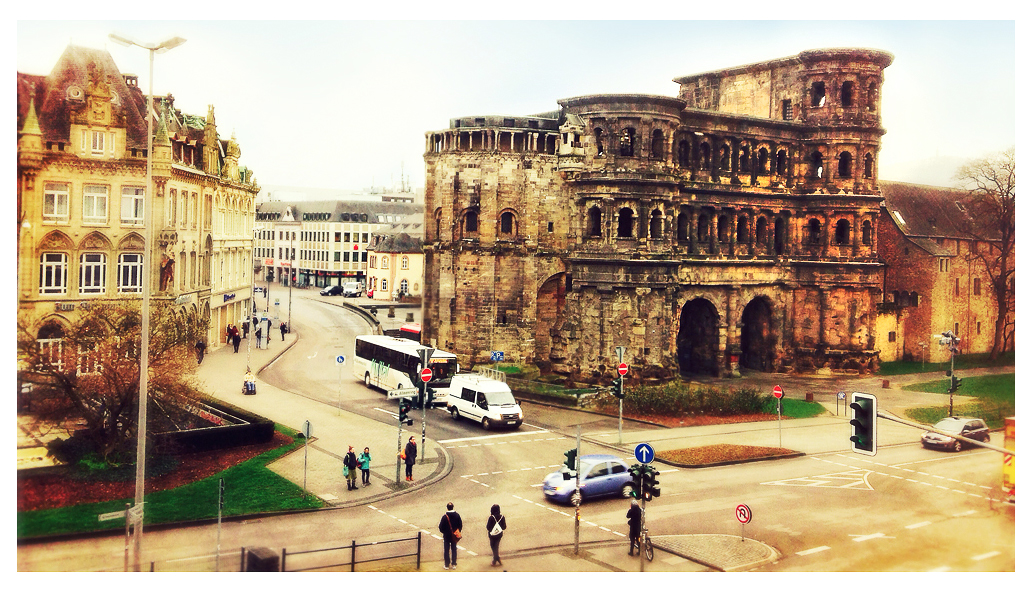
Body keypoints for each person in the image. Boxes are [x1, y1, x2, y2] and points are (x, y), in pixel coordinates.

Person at [438, 502, 462, 569]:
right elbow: (460, 525)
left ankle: (446, 565)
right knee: (454, 549)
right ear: (453, 507)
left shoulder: (445, 517)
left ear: (447, 508)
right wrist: (457, 532)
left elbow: (440, 527)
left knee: (446, 550)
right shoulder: (457, 515)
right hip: (454, 535)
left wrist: (444, 532)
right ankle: (454, 564)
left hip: (446, 536)